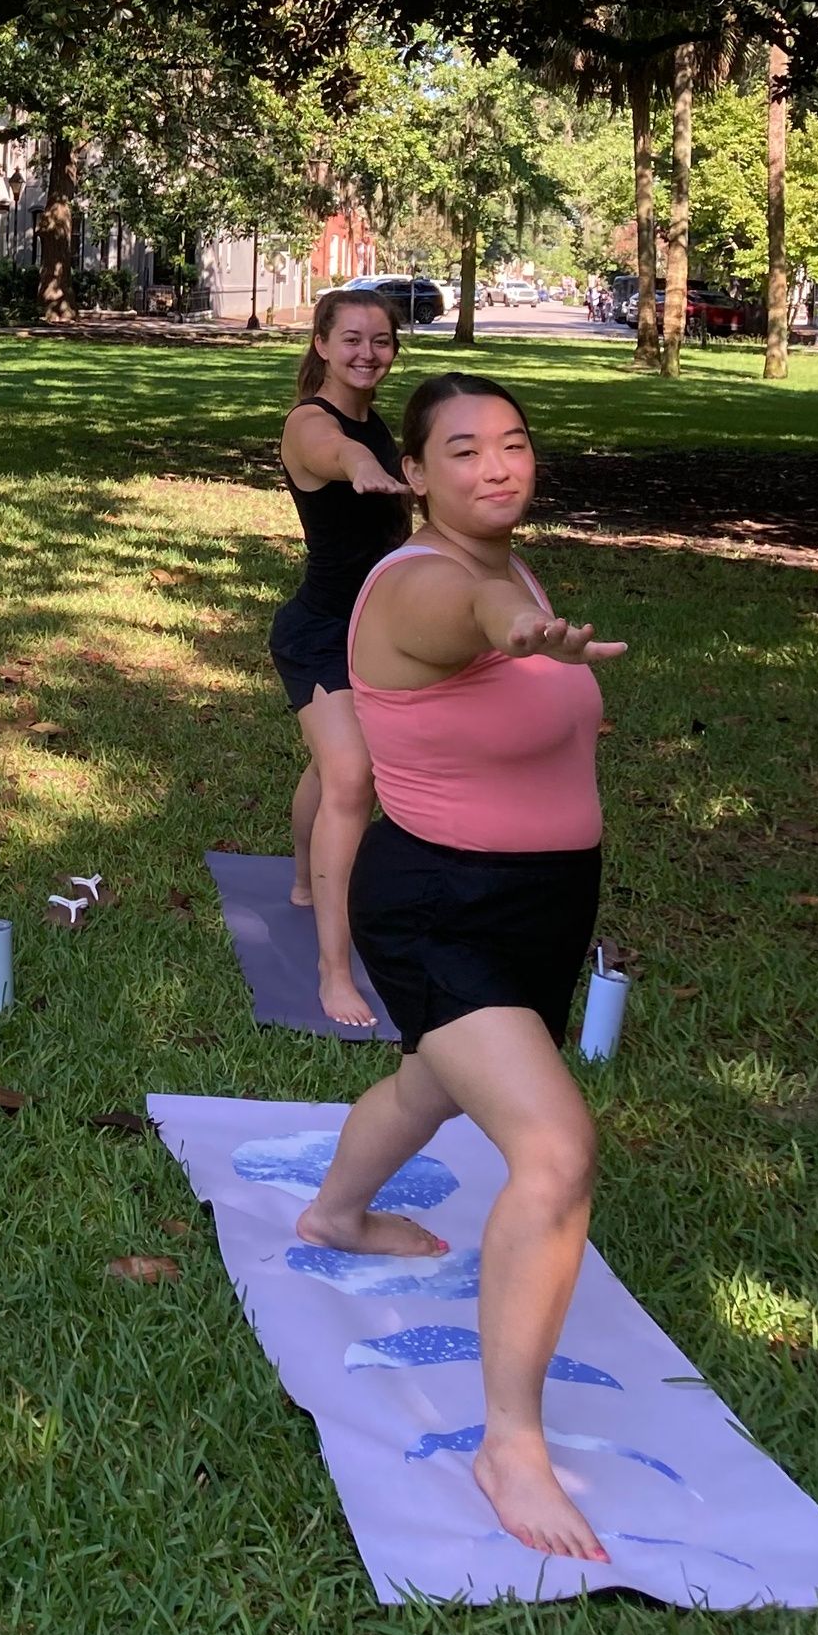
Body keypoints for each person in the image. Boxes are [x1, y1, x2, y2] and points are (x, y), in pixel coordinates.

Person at [294, 372, 624, 1564]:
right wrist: (512, 631)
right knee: (554, 1150)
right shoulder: (429, 582)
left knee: (436, 1082)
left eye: (516, 444)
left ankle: (335, 1211)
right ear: (416, 474)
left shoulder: (509, 564)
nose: (498, 466)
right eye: (467, 450)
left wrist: (524, 621)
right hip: (442, 906)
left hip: (533, 906)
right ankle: (512, 1444)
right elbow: (465, 623)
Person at [270, 288, 413, 1028]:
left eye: (381, 341)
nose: (367, 353)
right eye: (352, 339)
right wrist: (360, 465)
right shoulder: (313, 426)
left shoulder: (379, 424)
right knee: (354, 779)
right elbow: (337, 453)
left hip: (375, 635)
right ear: (322, 343)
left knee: (330, 768)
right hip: (320, 632)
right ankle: (333, 971)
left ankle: (302, 879)